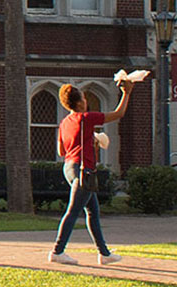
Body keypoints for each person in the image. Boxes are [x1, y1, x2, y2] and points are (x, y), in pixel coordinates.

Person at [49, 81, 134, 266]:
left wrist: (89, 143)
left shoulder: (65, 122)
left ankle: (104, 253)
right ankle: (57, 251)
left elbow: (61, 151)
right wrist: (126, 93)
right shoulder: (86, 118)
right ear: (80, 103)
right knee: (73, 211)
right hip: (84, 170)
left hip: (69, 168)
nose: (86, 100)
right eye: (84, 97)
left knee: (93, 212)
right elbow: (118, 114)